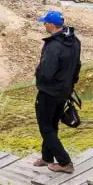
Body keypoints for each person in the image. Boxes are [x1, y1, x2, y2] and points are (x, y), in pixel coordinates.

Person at [34, 11, 81, 174]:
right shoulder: (74, 41)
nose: (44, 25)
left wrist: (38, 74)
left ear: (52, 25)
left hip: (49, 92)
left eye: (45, 22)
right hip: (64, 91)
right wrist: (71, 84)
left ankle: (65, 162)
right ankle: (47, 157)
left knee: (45, 126)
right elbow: (77, 66)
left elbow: (47, 72)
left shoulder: (54, 46)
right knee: (52, 124)